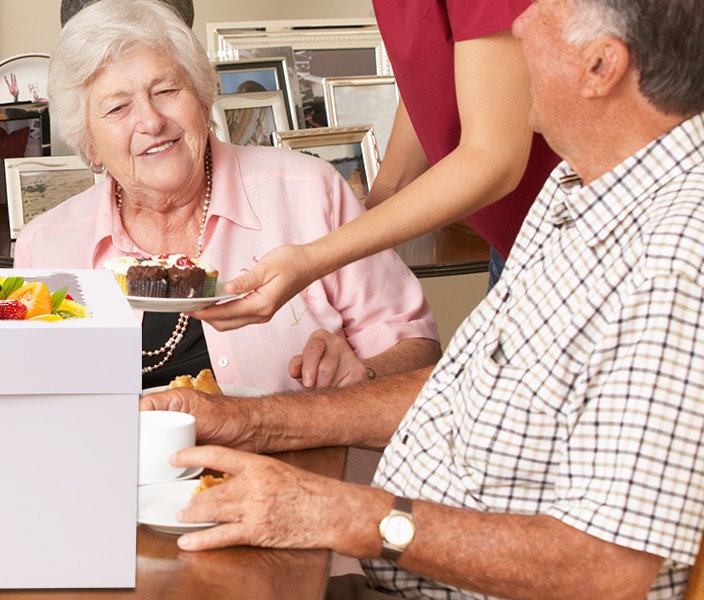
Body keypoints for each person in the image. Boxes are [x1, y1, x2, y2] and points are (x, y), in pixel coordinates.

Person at [144, 0, 704, 596]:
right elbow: (468, 390)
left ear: (600, 66)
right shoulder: (580, 183)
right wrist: (249, 420)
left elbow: (609, 566)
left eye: (540, 11)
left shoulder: (678, 254)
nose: (514, 24)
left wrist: (336, 513)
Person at [18, 0, 440, 395]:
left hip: (291, 465)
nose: (151, 121)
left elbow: (418, 348)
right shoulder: (47, 247)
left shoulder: (311, 192)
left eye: (166, 90)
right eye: (117, 108)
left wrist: (361, 374)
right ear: (88, 145)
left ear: (203, 98)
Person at [194, 0, 564, 331]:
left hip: (581, 232)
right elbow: (433, 75)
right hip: (520, 239)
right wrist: (374, 205)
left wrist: (314, 258)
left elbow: (493, 159)